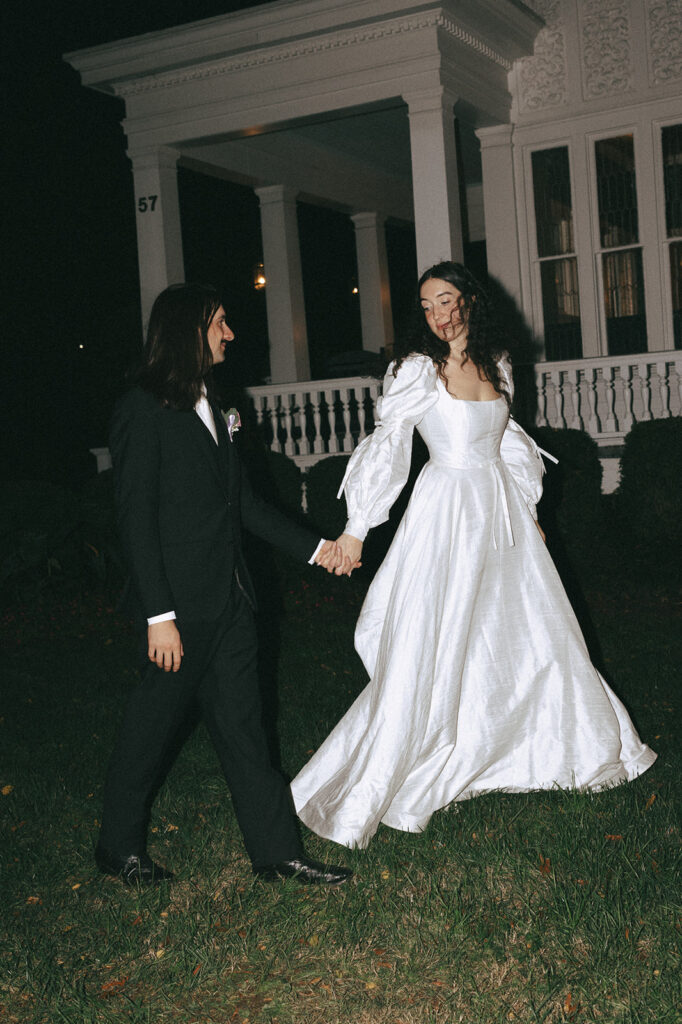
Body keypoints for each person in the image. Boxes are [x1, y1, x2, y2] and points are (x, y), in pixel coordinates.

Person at [290, 261, 656, 850]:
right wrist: (357, 527)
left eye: (447, 301)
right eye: (427, 305)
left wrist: (529, 510)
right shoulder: (416, 369)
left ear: (471, 302)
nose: (437, 314)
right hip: (447, 512)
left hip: (501, 513)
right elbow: (388, 446)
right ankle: (412, 762)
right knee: (440, 635)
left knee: (528, 632)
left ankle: (540, 748)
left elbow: (509, 440)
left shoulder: (498, 363)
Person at [95, 283, 353, 886]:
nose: (230, 334)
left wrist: (320, 548)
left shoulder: (220, 403)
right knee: (149, 733)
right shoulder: (141, 408)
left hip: (233, 601)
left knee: (246, 731)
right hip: (178, 614)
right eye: (220, 323)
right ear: (191, 330)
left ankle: (277, 854)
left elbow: (243, 505)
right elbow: (135, 519)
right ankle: (118, 847)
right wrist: (159, 615)